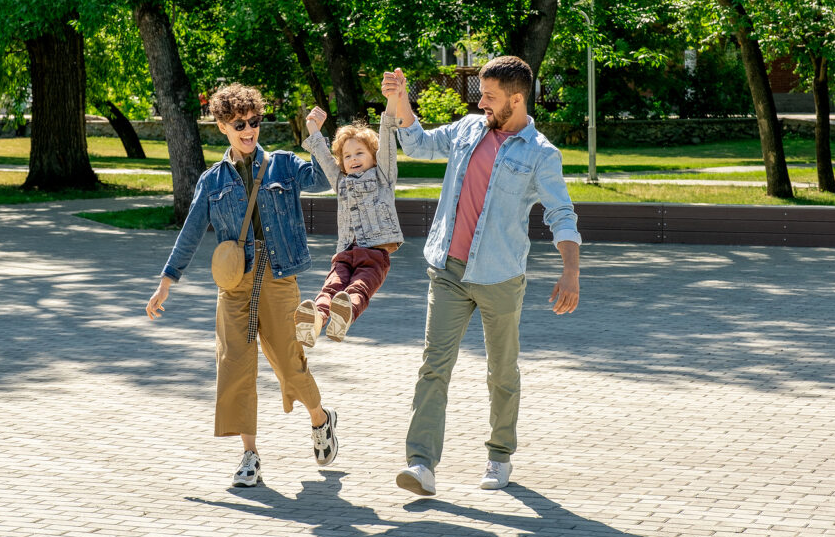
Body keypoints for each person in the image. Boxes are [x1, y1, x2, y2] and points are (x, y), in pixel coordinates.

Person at [382, 57, 582, 496]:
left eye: (489, 96)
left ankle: (499, 454)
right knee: (434, 366)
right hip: (448, 271)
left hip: (499, 277)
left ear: (516, 98)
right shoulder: (468, 129)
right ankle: (421, 464)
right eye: (481, 93)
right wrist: (400, 102)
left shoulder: (540, 153)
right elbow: (416, 144)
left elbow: (561, 213)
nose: (480, 101)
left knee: (502, 371)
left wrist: (570, 271)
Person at [145, 83, 340, 488]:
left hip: (277, 272)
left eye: (254, 122)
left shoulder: (284, 164)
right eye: (239, 124)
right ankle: (249, 456)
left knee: (289, 362)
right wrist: (167, 281)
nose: (249, 130)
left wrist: (317, 135)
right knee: (234, 364)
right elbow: (192, 231)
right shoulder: (212, 180)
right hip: (234, 281)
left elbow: (328, 178)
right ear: (222, 126)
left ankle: (320, 418)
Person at [295, 100, 404, 347]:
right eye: (347, 156)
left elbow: (387, 139)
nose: (353, 159)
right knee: (331, 288)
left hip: (374, 253)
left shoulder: (383, 176)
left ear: (374, 157)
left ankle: (343, 317)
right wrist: (313, 128)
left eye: (359, 153)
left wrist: (391, 102)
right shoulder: (341, 181)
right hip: (344, 252)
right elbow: (323, 158)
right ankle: (316, 320)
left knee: (358, 289)